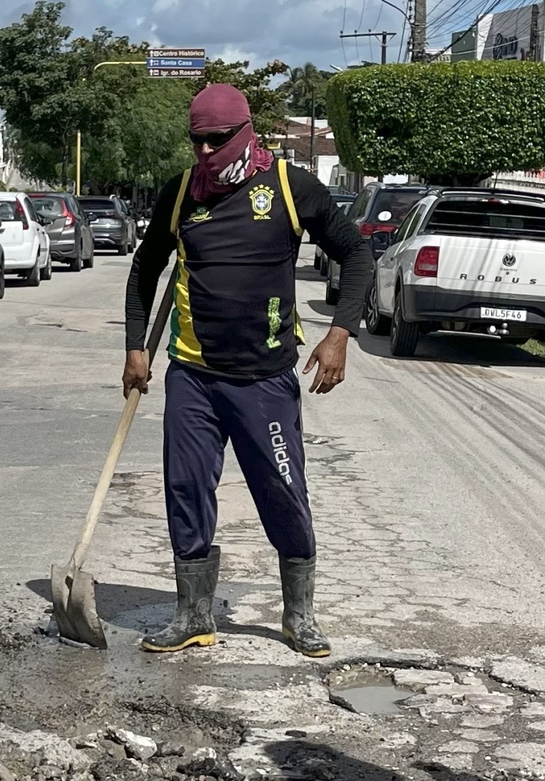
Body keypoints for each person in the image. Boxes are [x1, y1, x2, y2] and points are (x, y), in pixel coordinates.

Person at [123, 83, 371, 658]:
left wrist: (340, 334)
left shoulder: (290, 186)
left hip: (265, 379)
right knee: (185, 488)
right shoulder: (181, 192)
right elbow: (145, 270)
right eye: (197, 141)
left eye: (217, 140)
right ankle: (192, 614)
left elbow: (356, 253)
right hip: (193, 373)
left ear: (244, 133)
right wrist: (137, 348)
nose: (206, 152)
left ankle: (298, 615)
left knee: (283, 491)